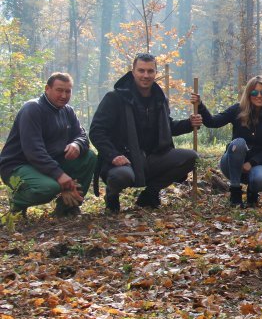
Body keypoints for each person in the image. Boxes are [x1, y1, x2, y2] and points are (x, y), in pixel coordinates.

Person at [90, 53, 202, 213]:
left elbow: (166, 127)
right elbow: (96, 131)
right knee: (121, 177)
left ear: (156, 73)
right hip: (124, 158)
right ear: (133, 71)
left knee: (192, 158)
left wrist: (189, 124)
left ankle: (150, 194)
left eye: (150, 71)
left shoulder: (160, 98)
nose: (145, 75)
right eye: (141, 70)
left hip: (153, 157)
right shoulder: (115, 98)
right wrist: (113, 155)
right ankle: (112, 195)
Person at [0, 73, 96, 217]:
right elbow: (34, 152)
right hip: (18, 165)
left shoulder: (67, 111)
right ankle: (16, 202)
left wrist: (77, 144)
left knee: (89, 157)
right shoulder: (32, 109)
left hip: (49, 163)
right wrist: (60, 176)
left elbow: (82, 136)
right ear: (47, 89)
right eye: (59, 90)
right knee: (49, 188)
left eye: (67, 91)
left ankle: (67, 208)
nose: (63, 95)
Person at [192, 76, 262, 208]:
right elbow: (212, 122)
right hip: (231, 163)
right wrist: (200, 105)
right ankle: (235, 193)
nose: (259, 96)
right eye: (255, 92)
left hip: (255, 165)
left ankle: (252, 193)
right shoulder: (237, 110)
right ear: (249, 94)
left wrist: (251, 163)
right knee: (238, 143)